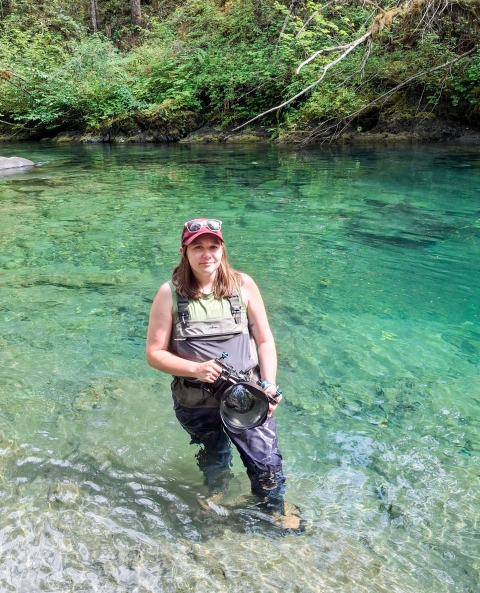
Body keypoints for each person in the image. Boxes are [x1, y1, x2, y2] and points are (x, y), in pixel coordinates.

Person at [146, 218, 299, 528]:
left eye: (213, 247)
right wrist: (194, 368)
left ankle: (273, 509)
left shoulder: (243, 285)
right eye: (198, 247)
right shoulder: (169, 293)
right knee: (213, 450)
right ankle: (216, 491)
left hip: (247, 396)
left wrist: (269, 385)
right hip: (195, 401)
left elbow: (265, 340)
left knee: (267, 463)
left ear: (222, 249)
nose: (207, 255)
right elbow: (154, 354)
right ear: (184, 251)